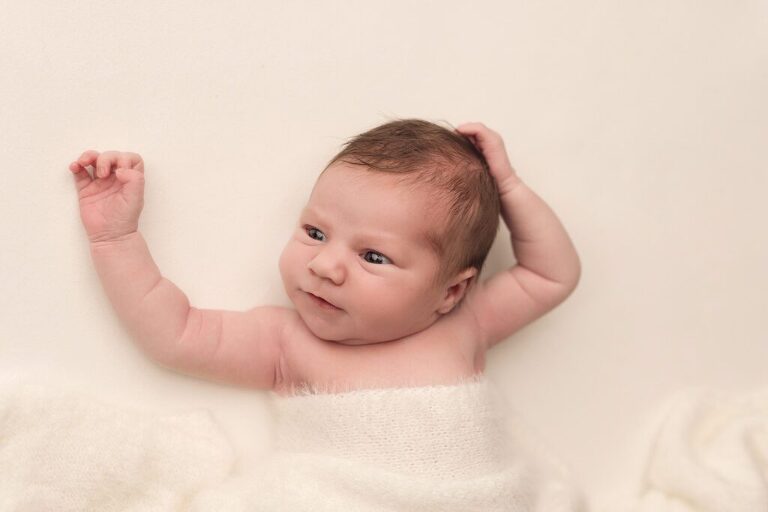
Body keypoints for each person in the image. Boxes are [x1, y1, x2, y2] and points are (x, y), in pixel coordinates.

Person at [68, 119, 581, 396]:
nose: (323, 266)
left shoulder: (466, 323)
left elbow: (550, 274)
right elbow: (174, 335)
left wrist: (507, 186)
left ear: (450, 291)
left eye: (373, 256)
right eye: (315, 232)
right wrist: (114, 239)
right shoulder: (286, 342)